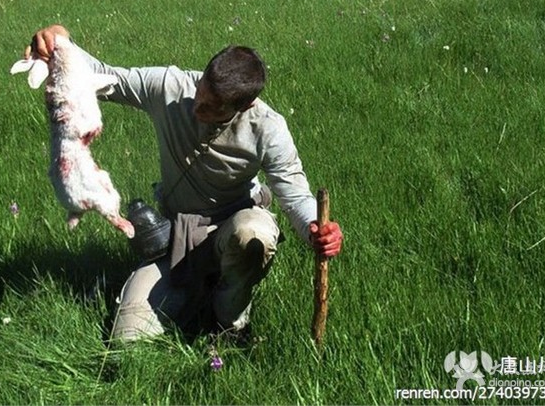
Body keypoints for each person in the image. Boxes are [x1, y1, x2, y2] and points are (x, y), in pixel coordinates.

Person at [26, 24, 343, 341]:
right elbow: (107, 77)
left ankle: (229, 325)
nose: (197, 107)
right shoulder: (170, 86)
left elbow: (294, 196)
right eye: (201, 91)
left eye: (212, 107)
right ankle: (198, 289)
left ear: (244, 106)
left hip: (233, 225)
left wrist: (315, 228)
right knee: (127, 338)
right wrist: (60, 45)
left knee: (252, 233)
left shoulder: (268, 129)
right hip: (175, 235)